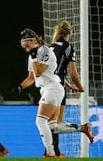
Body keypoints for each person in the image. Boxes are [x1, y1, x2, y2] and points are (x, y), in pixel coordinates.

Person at [14, 28, 64, 158]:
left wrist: (34, 57)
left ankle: (50, 153)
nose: (26, 49)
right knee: (53, 126)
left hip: (52, 88)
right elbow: (32, 78)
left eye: (27, 46)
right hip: (48, 90)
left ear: (34, 40)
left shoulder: (45, 51)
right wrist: (20, 86)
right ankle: (82, 128)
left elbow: (38, 72)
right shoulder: (32, 56)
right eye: (24, 48)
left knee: (40, 122)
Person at [48, 21, 94, 157]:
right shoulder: (68, 47)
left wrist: (68, 84)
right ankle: (82, 128)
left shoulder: (51, 47)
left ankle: (53, 153)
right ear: (70, 32)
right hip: (58, 88)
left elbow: (53, 70)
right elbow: (74, 73)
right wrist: (80, 88)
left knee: (50, 123)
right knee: (54, 123)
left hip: (49, 86)